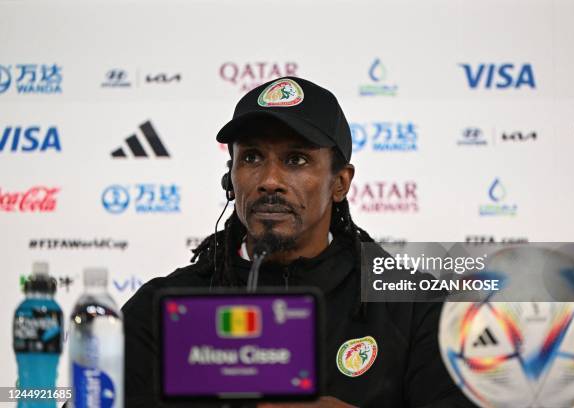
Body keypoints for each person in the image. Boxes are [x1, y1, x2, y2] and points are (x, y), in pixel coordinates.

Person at [122, 77, 474, 407]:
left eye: (296, 159)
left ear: (340, 182)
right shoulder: (159, 309)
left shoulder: (415, 305)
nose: (270, 180)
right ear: (229, 178)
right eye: (252, 157)